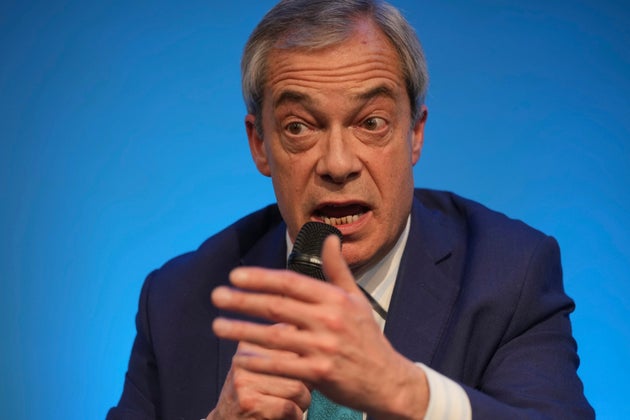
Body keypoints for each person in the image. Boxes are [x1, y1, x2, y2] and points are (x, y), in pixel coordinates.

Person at [107, 0, 594, 419]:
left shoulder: (510, 275)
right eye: (300, 127)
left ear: (415, 132)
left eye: (372, 122)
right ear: (259, 144)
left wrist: (407, 393)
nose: (338, 164)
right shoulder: (178, 300)